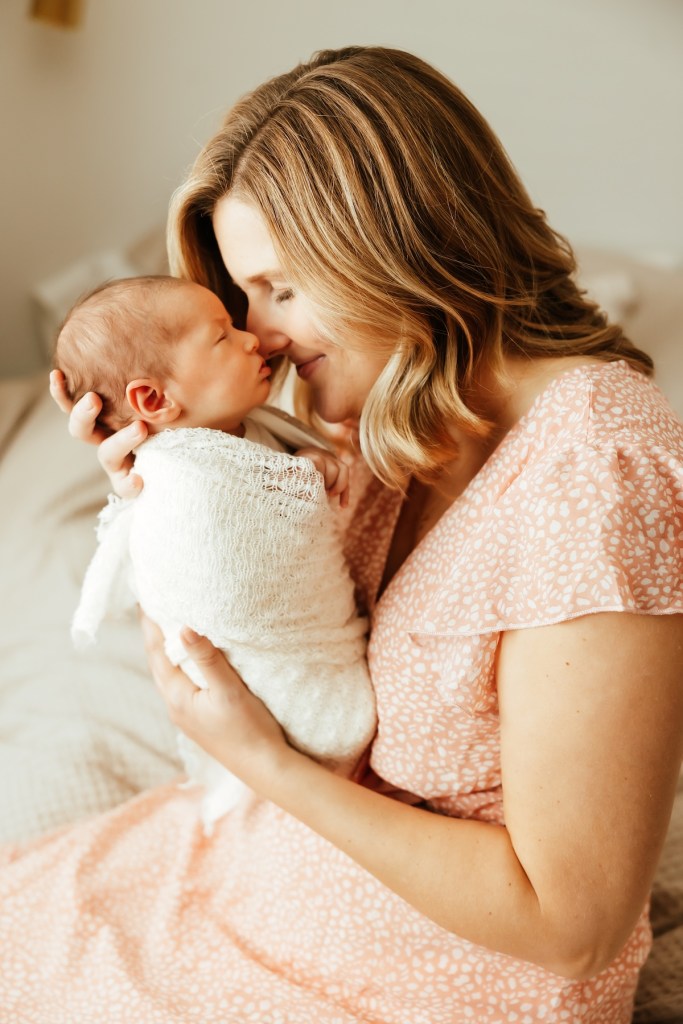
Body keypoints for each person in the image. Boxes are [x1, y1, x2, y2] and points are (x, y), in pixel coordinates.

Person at [3, 44, 682, 1023]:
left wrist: (268, 768)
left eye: (278, 287)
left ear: (395, 243)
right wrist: (169, 489)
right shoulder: (383, 417)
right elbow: (264, 628)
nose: (264, 334)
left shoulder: (595, 469)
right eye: (244, 300)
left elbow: (567, 922)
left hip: (405, 982)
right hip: (252, 889)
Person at [55, 274, 376, 832]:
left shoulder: (241, 430)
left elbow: (273, 471)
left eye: (282, 291)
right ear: (152, 399)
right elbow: (222, 587)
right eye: (223, 336)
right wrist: (299, 480)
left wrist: (302, 461)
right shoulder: (183, 484)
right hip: (287, 688)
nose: (253, 336)